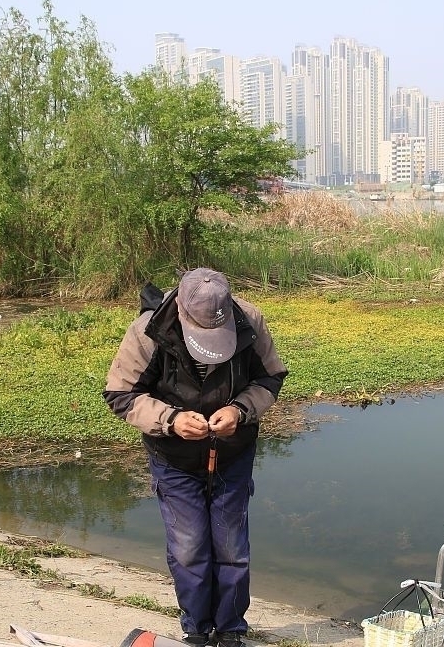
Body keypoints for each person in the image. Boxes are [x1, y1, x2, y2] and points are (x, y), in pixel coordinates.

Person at [103, 268, 288, 647]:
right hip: (174, 460)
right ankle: (197, 631)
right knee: (189, 550)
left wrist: (240, 410)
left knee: (232, 549)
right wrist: (171, 420)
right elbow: (121, 394)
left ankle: (231, 631)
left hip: (232, 455)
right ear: (183, 313)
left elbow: (270, 378)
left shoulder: (249, 321)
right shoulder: (147, 331)